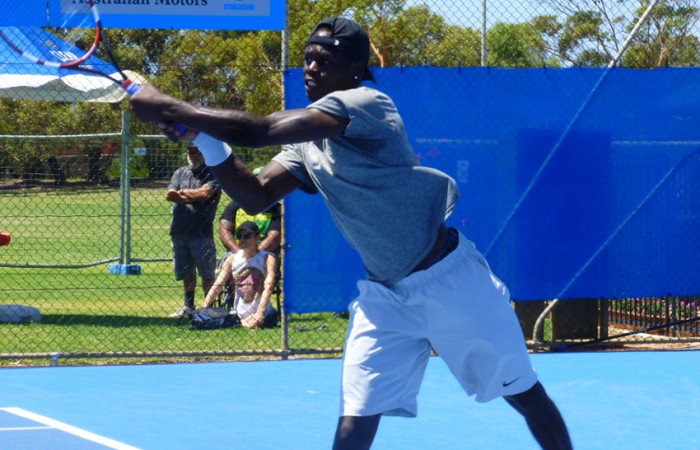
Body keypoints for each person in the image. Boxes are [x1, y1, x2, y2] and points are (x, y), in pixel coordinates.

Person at [131, 16, 572, 450]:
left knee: (524, 394)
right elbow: (255, 196)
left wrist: (166, 104)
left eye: (323, 60)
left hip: (450, 282)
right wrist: (207, 140)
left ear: (356, 69)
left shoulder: (368, 103)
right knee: (355, 421)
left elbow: (259, 129)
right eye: (307, 58)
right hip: (384, 298)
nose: (310, 68)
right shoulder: (304, 144)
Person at [166, 144, 222, 318]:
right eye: (191, 152)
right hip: (179, 231)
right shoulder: (179, 173)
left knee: (207, 273)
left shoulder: (212, 173)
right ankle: (189, 307)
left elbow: (205, 194)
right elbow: (170, 194)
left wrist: (182, 194)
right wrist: (190, 195)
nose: (195, 155)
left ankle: (208, 307)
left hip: (201, 232)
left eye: (198, 152)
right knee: (186, 273)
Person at [201, 221, 279, 329]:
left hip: (265, 312)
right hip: (240, 313)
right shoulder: (232, 259)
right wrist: (203, 308)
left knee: (270, 317)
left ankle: (244, 323)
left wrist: (259, 314)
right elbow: (219, 284)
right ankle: (243, 322)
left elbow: (269, 286)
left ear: (257, 238)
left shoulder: (267, 258)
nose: (242, 240)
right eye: (239, 236)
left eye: (247, 236)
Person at [219, 167, 282, 255]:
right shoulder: (236, 204)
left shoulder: (276, 208)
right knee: (227, 264)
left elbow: (273, 238)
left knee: (270, 262)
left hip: (264, 253)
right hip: (237, 251)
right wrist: (239, 253)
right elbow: (224, 230)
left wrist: (254, 255)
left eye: (264, 184)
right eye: (256, 183)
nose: (259, 187)